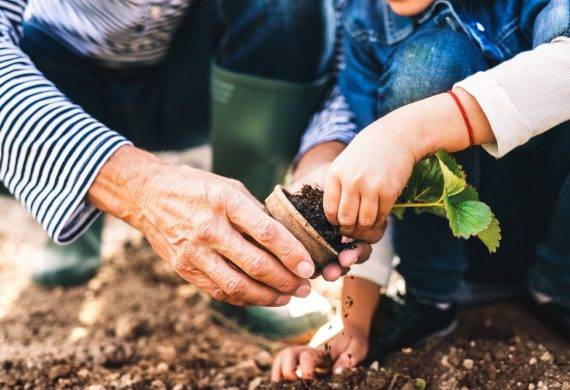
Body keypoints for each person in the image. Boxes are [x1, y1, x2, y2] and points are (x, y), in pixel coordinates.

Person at [0, 0, 372, 306]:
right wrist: (138, 188)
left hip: (193, 80)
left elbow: (347, 36)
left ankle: (249, 251)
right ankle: (76, 211)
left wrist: (323, 154)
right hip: (59, 76)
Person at [271, 0, 569, 381]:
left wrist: (408, 131)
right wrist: (353, 322)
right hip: (447, 257)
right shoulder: (365, 24)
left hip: (551, 226)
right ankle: (431, 300)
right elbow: (372, 180)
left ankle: (558, 289)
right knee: (431, 60)